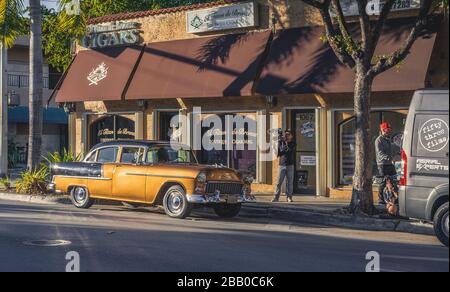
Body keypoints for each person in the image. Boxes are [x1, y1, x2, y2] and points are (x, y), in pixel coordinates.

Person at [375, 122, 397, 205]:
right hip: (382, 164)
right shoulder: (378, 140)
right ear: (382, 130)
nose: (388, 131)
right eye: (386, 130)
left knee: (394, 180)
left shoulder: (389, 139)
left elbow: (394, 149)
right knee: (383, 182)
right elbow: (380, 153)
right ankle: (380, 201)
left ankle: (393, 199)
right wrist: (390, 158)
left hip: (390, 164)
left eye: (389, 130)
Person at [272, 130, 296, 203]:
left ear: (291, 136)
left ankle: (289, 197)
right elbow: (278, 153)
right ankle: (276, 197)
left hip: (290, 165)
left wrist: (284, 142)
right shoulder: (280, 142)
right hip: (281, 165)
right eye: (285, 134)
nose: (286, 136)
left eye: (288, 134)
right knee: (279, 182)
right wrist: (276, 142)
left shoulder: (293, 143)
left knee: (290, 182)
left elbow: (288, 150)